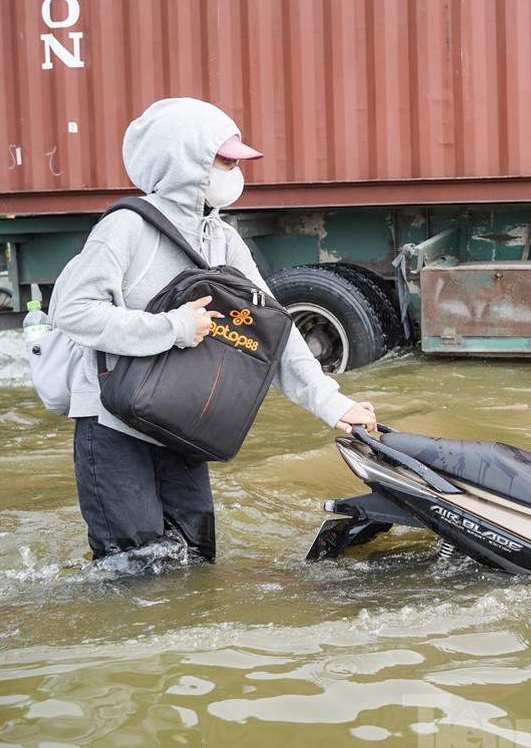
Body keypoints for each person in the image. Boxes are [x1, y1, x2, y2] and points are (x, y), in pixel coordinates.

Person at [51, 96, 377, 563]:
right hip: (113, 425)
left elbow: (273, 330)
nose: (235, 172)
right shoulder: (125, 228)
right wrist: (173, 327)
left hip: (181, 421)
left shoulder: (222, 237)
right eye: (225, 160)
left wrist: (332, 404)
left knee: (195, 561)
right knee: (134, 571)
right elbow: (74, 311)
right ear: (185, 159)